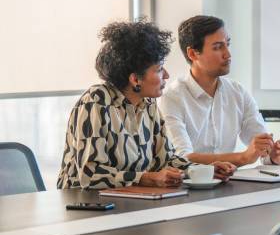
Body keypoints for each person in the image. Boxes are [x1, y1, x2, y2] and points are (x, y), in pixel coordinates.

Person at [57, 19, 235, 189]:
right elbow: (90, 174)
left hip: (127, 201)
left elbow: (165, 160)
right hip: (83, 205)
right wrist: (145, 178)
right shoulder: (96, 102)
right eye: (158, 70)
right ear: (135, 79)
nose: (166, 75)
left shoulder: (148, 105)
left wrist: (203, 169)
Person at [159, 15, 280, 168]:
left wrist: (272, 155)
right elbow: (182, 158)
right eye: (217, 47)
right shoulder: (172, 98)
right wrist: (242, 157)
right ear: (193, 54)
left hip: (228, 185)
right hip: (188, 187)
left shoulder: (238, 92)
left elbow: (261, 148)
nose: (228, 54)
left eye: (227, 44)